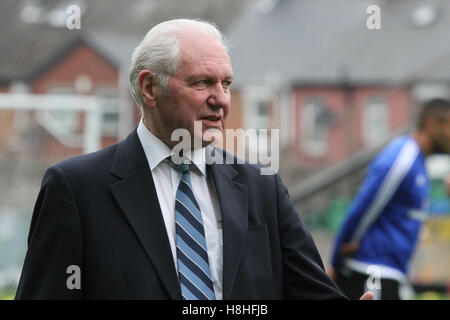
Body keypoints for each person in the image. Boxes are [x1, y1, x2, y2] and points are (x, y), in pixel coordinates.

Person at [15, 19, 370, 300]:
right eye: (202, 83)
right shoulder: (76, 189)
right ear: (150, 88)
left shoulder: (261, 184)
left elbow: (309, 290)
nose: (222, 100)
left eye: (226, 83)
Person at [329, 98, 450, 300]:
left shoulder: (419, 163)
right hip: (370, 273)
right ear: (432, 123)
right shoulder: (403, 158)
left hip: (390, 274)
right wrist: (336, 262)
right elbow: (363, 207)